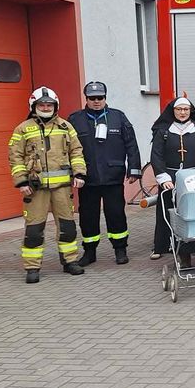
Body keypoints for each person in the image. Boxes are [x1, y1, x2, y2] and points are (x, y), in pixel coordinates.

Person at [8, 86, 87, 284]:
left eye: (49, 104)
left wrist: (79, 173)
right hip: (35, 189)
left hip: (62, 188)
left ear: (55, 106)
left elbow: (76, 151)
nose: (45, 107)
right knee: (34, 229)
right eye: (41, 104)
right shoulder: (23, 129)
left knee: (67, 228)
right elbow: (15, 157)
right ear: (34, 106)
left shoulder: (65, 127)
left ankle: (70, 261)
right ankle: (32, 267)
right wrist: (22, 181)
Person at [67, 81, 142, 267]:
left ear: (105, 98)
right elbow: (67, 149)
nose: (96, 101)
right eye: (92, 98)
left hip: (113, 176)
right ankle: (90, 252)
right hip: (87, 178)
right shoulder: (75, 119)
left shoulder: (118, 117)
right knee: (88, 216)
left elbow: (131, 144)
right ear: (86, 99)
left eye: (100, 97)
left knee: (116, 214)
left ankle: (120, 249)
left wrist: (134, 169)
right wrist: (73, 174)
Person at [149, 96, 195, 262]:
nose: (182, 112)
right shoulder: (163, 131)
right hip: (170, 179)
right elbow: (156, 157)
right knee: (170, 214)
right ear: (173, 111)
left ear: (190, 111)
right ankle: (164, 246)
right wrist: (163, 177)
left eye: (185, 109)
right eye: (179, 109)